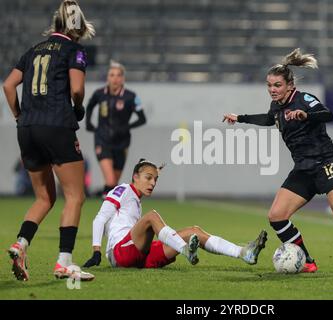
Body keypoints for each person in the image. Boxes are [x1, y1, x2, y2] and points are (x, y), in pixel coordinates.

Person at [223, 48, 333, 273]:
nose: (272, 90)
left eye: (277, 85)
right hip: (304, 169)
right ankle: (308, 261)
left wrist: (305, 115)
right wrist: (240, 118)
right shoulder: (277, 106)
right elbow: (269, 119)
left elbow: (328, 114)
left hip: (327, 163)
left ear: (290, 85)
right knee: (277, 216)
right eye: (269, 85)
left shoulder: (304, 99)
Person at [3, 0, 95, 281]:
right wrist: (78, 107)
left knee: (44, 197)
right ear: (77, 29)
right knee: (75, 195)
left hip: (27, 128)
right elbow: (77, 89)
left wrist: (20, 115)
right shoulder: (74, 50)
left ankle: (20, 244)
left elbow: (8, 85)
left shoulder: (33, 50)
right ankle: (63, 263)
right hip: (56, 125)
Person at [82, 159, 268, 269]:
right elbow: (100, 218)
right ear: (135, 177)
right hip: (119, 253)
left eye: (155, 179)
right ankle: (185, 249)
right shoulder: (123, 189)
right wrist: (96, 251)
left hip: (138, 255)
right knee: (152, 216)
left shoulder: (135, 200)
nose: (153, 183)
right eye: (148, 178)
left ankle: (244, 253)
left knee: (193, 231)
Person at [85, 60, 146, 198]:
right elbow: (89, 106)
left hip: (122, 143)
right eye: (111, 75)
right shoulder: (99, 94)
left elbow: (142, 118)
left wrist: (127, 127)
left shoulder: (131, 97)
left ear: (123, 78)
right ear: (107, 77)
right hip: (102, 140)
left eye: (118, 75)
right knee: (111, 180)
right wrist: (88, 123)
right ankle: (104, 216)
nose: (115, 78)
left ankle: (109, 213)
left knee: (113, 186)